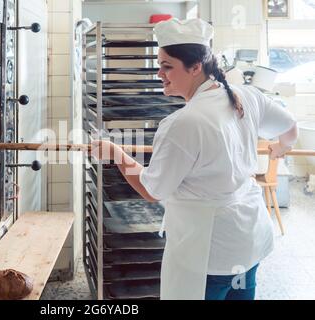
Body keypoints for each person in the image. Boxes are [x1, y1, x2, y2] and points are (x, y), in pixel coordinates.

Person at [91, 18, 298, 300]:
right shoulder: (247, 95)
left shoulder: (183, 123)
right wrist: (279, 149)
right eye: (158, 65)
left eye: (167, 66)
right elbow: (289, 130)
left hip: (207, 252)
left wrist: (116, 153)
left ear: (196, 67)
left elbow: (152, 189)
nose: (159, 74)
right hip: (248, 239)